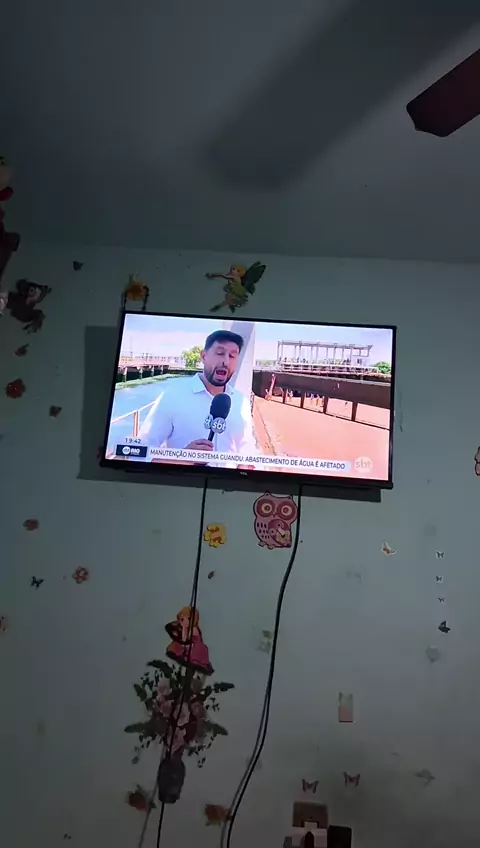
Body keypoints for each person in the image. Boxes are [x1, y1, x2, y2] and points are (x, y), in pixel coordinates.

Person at [138, 329, 257, 464]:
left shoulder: (241, 402)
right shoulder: (173, 395)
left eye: (232, 356)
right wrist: (183, 458)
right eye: (220, 353)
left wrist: (250, 466)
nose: (225, 361)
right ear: (204, 356)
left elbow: (248, 451)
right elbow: (138, 452)